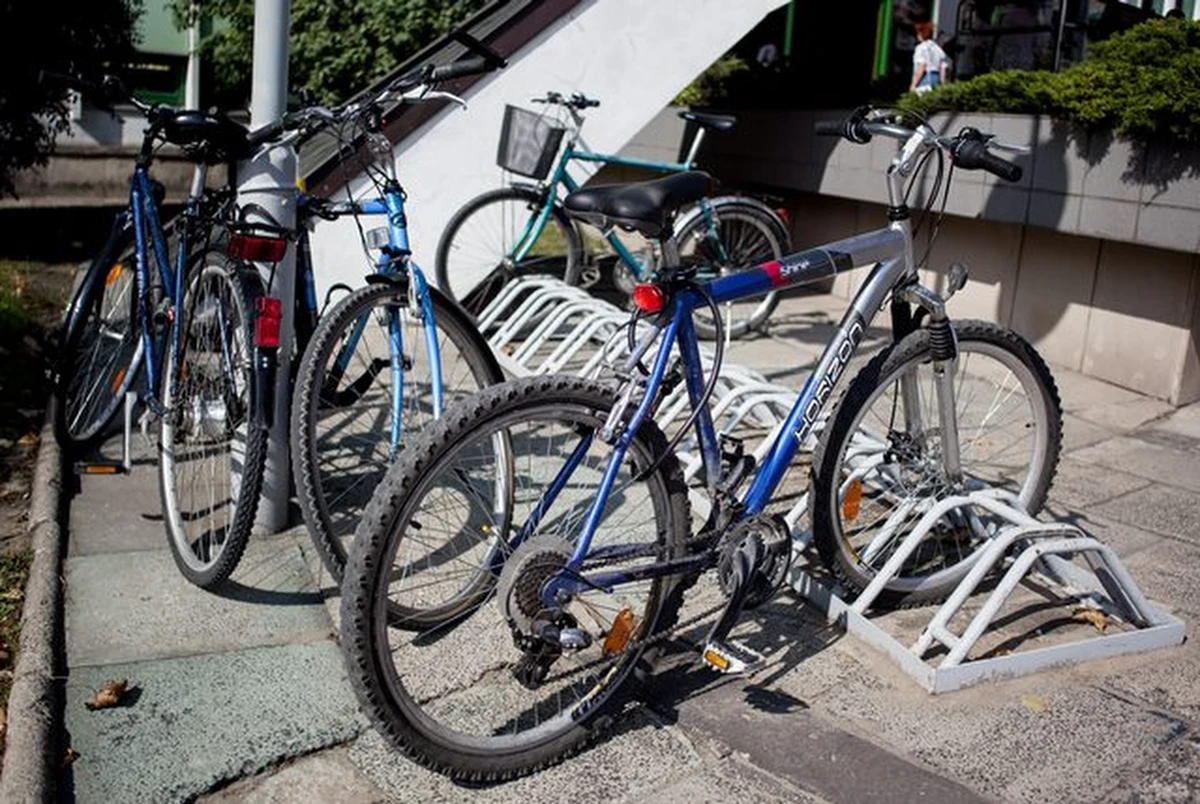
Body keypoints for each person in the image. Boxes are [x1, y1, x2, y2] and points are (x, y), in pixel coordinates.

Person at [910, 21, 949, 93]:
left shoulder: (920, 48)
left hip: (925, 78)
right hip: (936, 78)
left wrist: (913, 84)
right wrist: (943, 85)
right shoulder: (938, 49)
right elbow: (943, 69)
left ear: (921, 34)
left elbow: (922, 66)